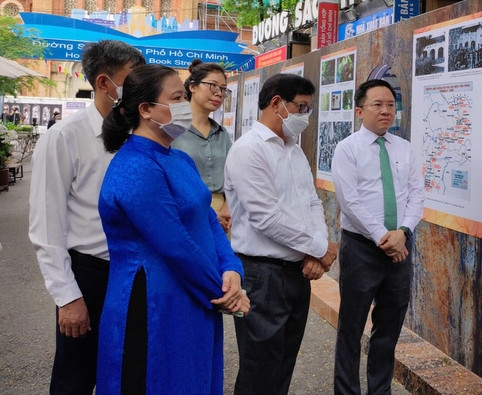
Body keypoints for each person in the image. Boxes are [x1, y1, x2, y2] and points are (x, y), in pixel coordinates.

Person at [96, 64, 249, 394]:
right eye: (177, 98)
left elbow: (208, 220)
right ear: (147, 110)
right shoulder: (134, 166)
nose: (184, 106)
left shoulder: (179, 159)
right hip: (154, 304)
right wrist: (225, 293)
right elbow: (174, 243)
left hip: (194, 295)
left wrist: (233, 271)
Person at [28, 40, 145, 395]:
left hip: (137, 275)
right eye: (131, 79)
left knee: (132, 374)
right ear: (104, 83)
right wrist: (68, 297)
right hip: (90, 276)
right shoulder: (65, 137)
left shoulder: (141, 134)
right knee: (76, 377)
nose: (139, 87)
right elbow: (47, 226)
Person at [224, 73, 338, 394]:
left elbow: (312, 202)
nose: (305, 116)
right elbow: (267, 218)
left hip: (297, 274)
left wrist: (317, 250)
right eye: (301, 107)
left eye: (308, 109)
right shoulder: (249, 151)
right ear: (277, 104)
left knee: (283, 366)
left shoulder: (293, 150)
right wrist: (319, 247)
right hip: (262, 277)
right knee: (260, 369)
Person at [331, 79, 424, 394]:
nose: (386, 110)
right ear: (360, 110)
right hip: (362, 248)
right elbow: (350, 202)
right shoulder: (347, 149)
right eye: (377, 105)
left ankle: (379, 390)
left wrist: (403, 233)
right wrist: (386, 238)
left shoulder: (404, 148)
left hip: (400, 248)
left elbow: (416, 197)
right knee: (351, 328)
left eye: (391, 104)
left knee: (389, 327)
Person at [171, 59, 232, 232]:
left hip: (225, 216)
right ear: (193, 87)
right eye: (213, 86)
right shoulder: (172, 130)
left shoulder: (222, 134)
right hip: (185, 213)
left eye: (223, 89)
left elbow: (233, 176)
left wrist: (228, 206)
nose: (219, 93)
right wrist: (209, 213)